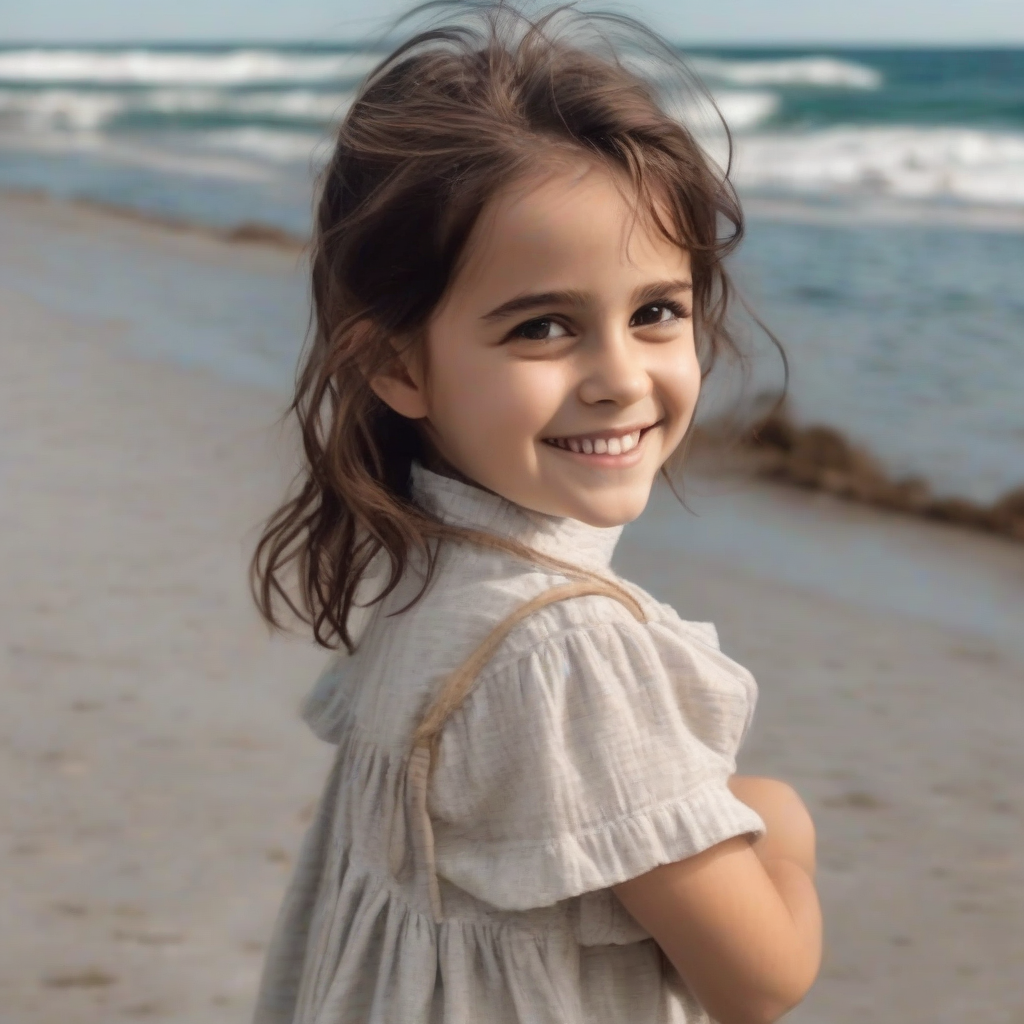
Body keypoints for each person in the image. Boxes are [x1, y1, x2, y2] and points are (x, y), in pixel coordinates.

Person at [250, 4, 821, 1022]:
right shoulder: (567, 654)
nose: (617, 378)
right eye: (543, 326)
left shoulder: (432, 581)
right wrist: (781, 826)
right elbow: (760, 977)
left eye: (656, 312)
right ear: (395, 364)